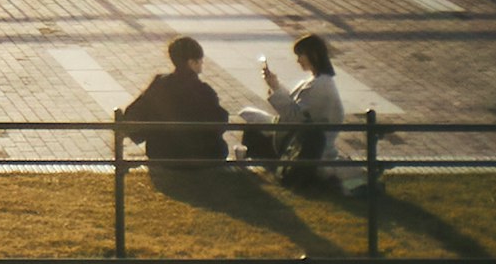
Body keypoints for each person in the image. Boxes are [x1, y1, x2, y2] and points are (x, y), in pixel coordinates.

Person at [237, 34, 347, 189]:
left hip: (302, 144)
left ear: (312, 55)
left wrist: (276, 89)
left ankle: (262, 164)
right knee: (252, 120)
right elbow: (298, 108)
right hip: (299, 138)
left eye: (300, 55)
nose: (298, 60)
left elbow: (294, 116)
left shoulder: (320, 86)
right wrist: (275, 86)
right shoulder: (319, 82)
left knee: (252, 130)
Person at [116, 35, 226, 167]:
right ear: (191, 63)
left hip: (161, 153)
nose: (202, 63)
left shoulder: (159, 84)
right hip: (201, 156)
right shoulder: (204, 91)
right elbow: (219, 123)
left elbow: (135, 112)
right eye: (200, 60)